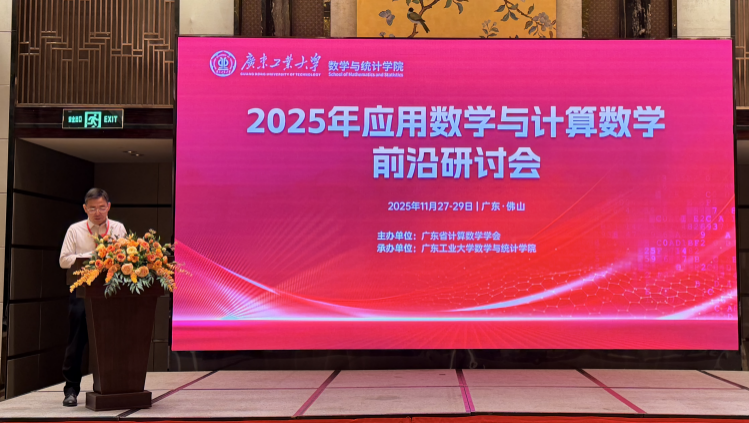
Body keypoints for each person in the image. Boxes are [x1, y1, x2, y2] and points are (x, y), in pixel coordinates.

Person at [59, 188, 127, 407]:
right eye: (92, 208)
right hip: (82, 291)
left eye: (101, 207)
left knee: (111, 340)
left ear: (108, 207)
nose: (97, 212)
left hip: (110, 290)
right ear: (85, 208)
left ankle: (112, 387)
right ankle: (71, 390)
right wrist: (92, 257)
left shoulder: (118, 228)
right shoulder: (75, 230)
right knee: (77, 341)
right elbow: (64, 260)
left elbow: (125, 257)